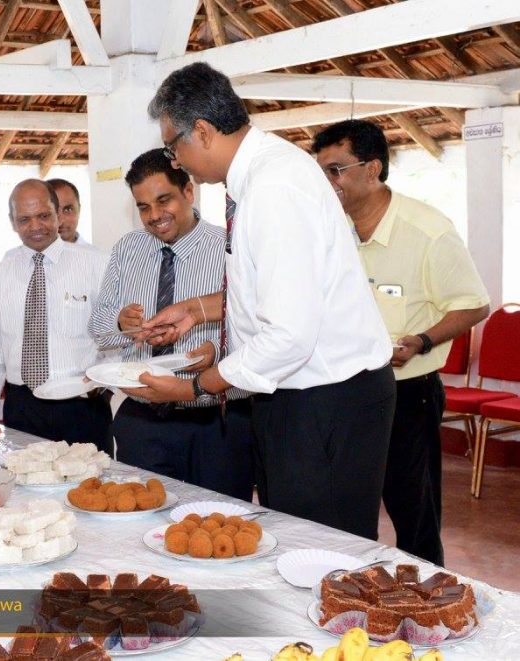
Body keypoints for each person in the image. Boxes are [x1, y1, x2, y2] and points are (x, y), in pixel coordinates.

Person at [137, 62, 395, 540]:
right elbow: (276, 291)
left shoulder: (274, 187)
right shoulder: (259, 175)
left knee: (325, 550)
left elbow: (289, 335)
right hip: (299, 395)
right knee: (293, 541)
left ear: (202, 131)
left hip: (325, 398)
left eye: (173, 148)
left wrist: (198, 388)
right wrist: (198, 310)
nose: (176, 161)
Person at [312, 119, 490, 564]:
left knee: (414, 512)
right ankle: (354, 586)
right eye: (321, 172)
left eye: (335, 170)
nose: (327, 182)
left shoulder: (427, 230)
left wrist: (422, 341)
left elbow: (474, 305)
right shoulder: (329, 229)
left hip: (407, 394)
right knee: (347, 508)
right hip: (343, 390)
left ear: (372, 169)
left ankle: (429, 590)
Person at [88, 150, 254, 500]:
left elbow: (257, 328)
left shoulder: (229, 247)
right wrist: (119, 321)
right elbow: (99, 329)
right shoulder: (128, 249)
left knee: (219, 522)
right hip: (143, 421)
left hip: (217, 421)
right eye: (143, 207)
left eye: (164, 200)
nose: (154, 216)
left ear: (189, 192)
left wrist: (216, 351)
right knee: (140, 519)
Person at [0, 180, 111, 452]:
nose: (35, 226)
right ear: (12, 222)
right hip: (22, 408)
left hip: (83, 406)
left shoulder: (97, 266)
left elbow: (117, 336)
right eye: (24, 219)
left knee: (92, 478)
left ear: (58, 214)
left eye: (44, 216)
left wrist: (104, 384)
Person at [46, 178, 91, 246]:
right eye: (52, 211)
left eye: (68, 210)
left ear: (79, 210)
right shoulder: (28, 252)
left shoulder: (96, 253)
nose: (61, 221)